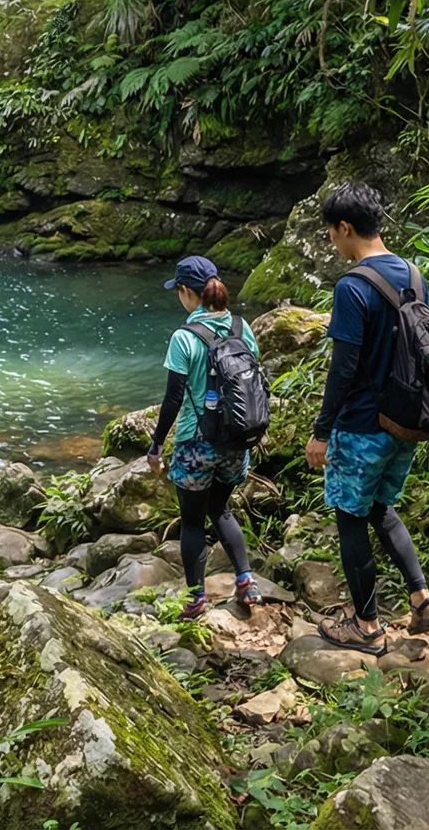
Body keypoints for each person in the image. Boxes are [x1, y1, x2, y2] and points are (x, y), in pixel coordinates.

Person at [304, 182, 429, 653]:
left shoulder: (353, 286)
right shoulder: (412, 273)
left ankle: (367, 627)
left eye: (331, 233)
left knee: (350, 518)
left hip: (362, 425)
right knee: (381, 509)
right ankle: (422, 599)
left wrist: (322, 431)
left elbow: (344, 367)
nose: (334, 242)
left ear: (345, 228)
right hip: (405, 420)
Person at [147, 255, 264, 620]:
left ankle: (196, 599)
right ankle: (246, 582)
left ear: (186, 292)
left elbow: (173, 398)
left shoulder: (184, 337)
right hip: (237, 440)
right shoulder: (242, 328)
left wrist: (155, 444)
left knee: (193, 520)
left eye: (178, 291)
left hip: (196, 444)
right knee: (220, 508)